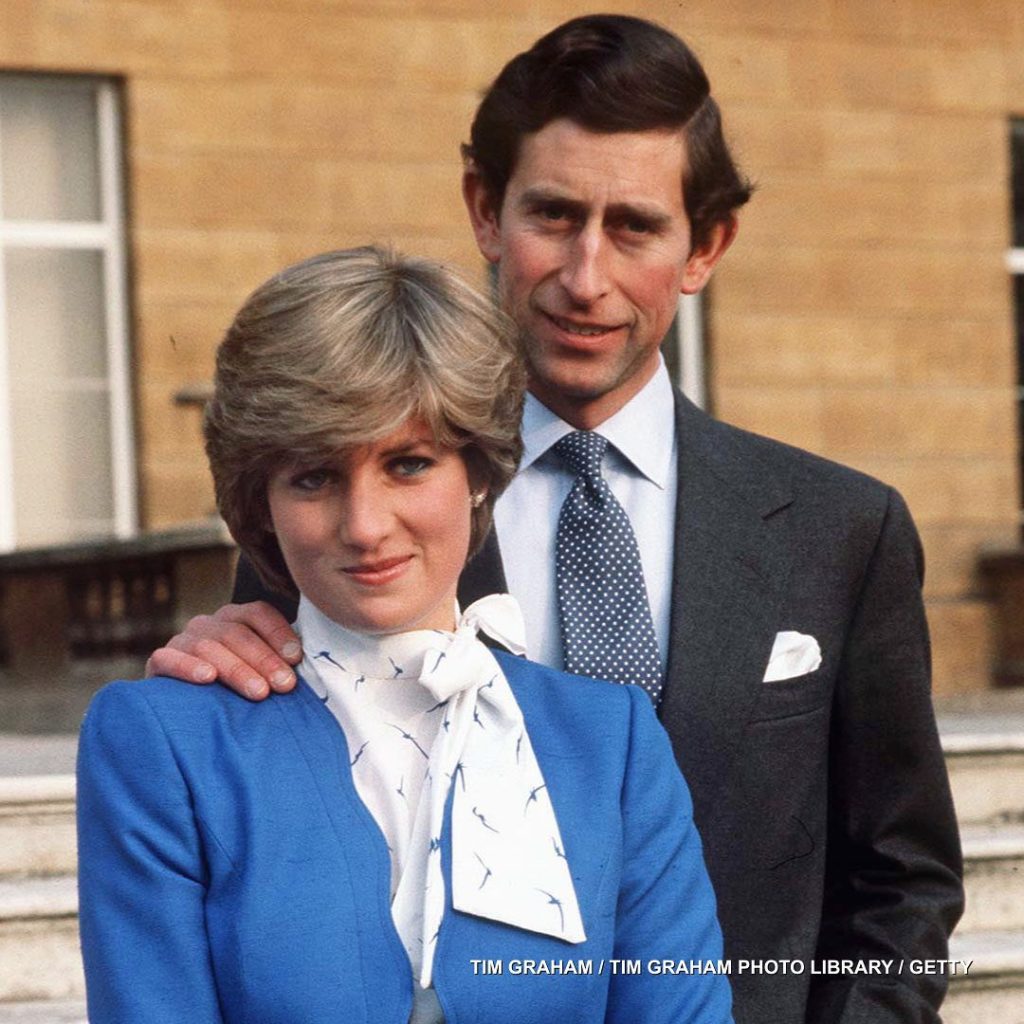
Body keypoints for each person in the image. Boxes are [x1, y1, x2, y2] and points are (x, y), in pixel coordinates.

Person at [145, 15, 964, 1023]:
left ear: (705, 246)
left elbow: (901, 882)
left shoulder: (842, 529)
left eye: (635, 227)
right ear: (484, 212)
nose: (585, 278)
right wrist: (225, 663)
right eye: (553, 215)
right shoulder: (358, 515)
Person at [77, 246, 733, 1024]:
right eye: (314, 477)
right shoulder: (166, 743)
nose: (365, 525)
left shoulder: (611, 743)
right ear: (262, 502)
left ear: (479, 472)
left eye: (409, 464)